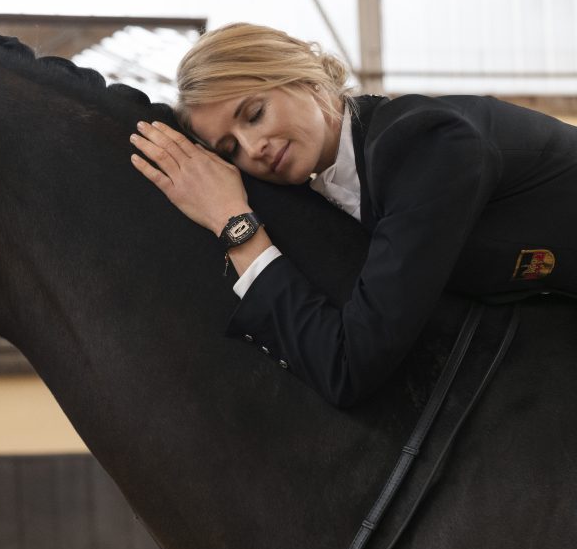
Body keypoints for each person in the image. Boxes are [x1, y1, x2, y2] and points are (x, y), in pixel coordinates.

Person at [129, 22, 577, 407]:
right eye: (230, 150)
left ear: (306, 80)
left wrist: (235, 225)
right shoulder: (334, 189)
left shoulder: (422, 146)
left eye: (254, 114)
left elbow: (350, 365)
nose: (253, 148)